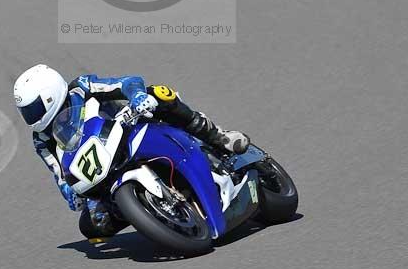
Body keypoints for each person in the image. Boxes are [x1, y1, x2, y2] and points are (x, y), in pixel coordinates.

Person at [13, 63, 249, 239]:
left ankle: (218, 136)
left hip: (131, 128)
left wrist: (137, 96)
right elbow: (58, 173)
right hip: (101, 169)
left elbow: (125, 83)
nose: (31, 118)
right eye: (26, 112)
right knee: (90, 225)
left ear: (50, 95)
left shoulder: (81, 88)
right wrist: (70, 193)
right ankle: (151, 213)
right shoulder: (41, 138)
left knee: (159, 93)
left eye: (33, 109)